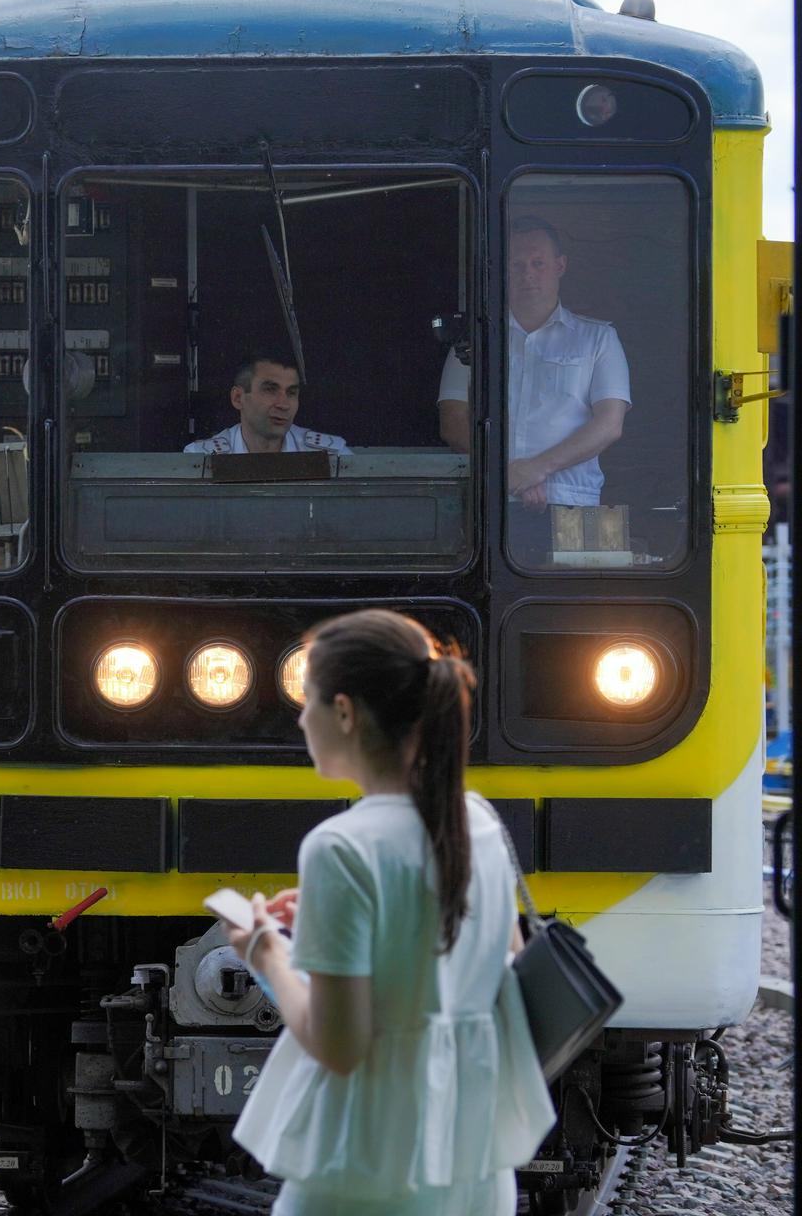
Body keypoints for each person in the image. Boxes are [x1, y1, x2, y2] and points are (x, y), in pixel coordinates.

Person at [226, 610, 552, 1215]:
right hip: (474, 1162)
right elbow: (497, 957)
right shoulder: (475, 821)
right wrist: (328, 923)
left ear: (345, 713)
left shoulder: (340, 848)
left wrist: (267, 955)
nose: (300, 719)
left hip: (366, 1164)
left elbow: (340, 1045)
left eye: (309, 702)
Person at [437, 217, 630, 515]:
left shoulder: (599, 339)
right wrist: (504, 473)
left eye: (538, 263)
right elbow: (453, 419)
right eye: (516, 265)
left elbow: (609, 425)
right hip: (487, 501)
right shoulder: (473, 341)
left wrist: (536, 470)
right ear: (503, 270)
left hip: (571, 503)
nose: (528, 274)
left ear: (560, 266)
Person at [186, 357, 351, 455]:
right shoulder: (200, 458)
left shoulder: (332, 455)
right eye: (270, 390)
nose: (283, 404)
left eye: (291, 393)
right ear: (238, 398)